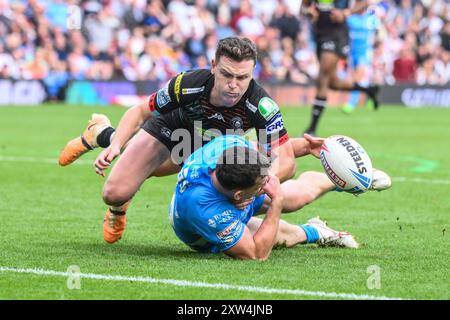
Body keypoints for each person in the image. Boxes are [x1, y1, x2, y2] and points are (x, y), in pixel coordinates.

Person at [59, 36, 298, 244]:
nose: (234, 85)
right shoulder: (188, 84)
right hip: (170, 132)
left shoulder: (261, 105)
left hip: (210, 151)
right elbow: (140, 111)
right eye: (227, 74)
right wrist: (115, 145)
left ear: (253, 72)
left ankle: (102, 133)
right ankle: (105, 140)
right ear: (214, 66)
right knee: (114, 193)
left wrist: (254, 189)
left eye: (242, 77)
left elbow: (285, 160)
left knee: (254, 181)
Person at [170, 135, 358, 260]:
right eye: (261, 184)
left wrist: (308, 146)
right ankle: (315, 232)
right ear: (239, 195)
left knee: (300, 196)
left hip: (226, 194)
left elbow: (271, 151)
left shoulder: (232, 147)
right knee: (280, 234)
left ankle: (345, 180)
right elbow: (256, 253)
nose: (268, 183)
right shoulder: (207, 211)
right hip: (203, 233)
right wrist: (276, 202)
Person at [301, 0, 380, 136]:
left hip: (338, 35)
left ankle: (312, 129)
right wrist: (309, 11)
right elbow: (303, 7)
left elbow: (364, 3)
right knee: (333, 83)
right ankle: (368, 89)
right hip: (320, 35)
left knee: (323, 76)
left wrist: (346, 13)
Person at [342, 7, 380, 113]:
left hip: (365, 53)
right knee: (359, 79)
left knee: (358, 78)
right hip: (352, 52)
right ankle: (371, 96)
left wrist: (376, 50)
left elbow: (377, 35)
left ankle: (351, 104)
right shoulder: (351, 19)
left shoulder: (371, 18)